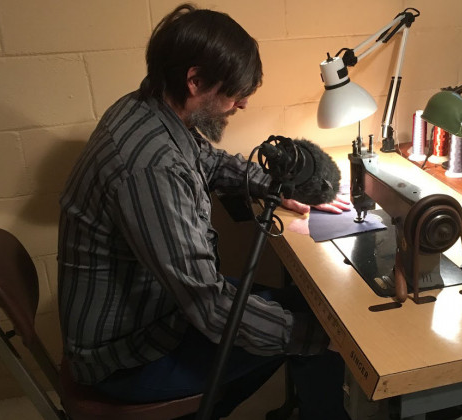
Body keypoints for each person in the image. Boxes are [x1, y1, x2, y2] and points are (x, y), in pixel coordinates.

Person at [57, 3, 350, 419]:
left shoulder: (146, 108)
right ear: (195, 80)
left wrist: (278, 187)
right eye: (234, 93)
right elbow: (211, 308)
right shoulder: (150, 168)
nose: (242, 105)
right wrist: (321, 338)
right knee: (320, 332)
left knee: (302, 314)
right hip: (127, 358)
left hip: (157, 313)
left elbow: (208, 163)